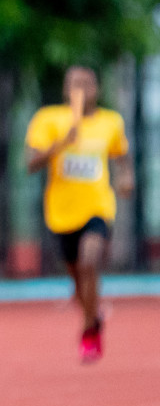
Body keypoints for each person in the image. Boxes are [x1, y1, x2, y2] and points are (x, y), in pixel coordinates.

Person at [24, 66, 133, 363]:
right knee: (77, 275)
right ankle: (93, 314)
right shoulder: (49, 120)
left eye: (86, 83)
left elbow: (121, 156)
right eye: (74, 84)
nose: (81, 89)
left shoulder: (111, 122)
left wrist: (126, 177)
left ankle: (88, 331)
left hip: (97, 206)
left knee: (89, 262)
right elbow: (30, 163)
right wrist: (62, 143)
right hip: (61, 211)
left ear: (97, 88)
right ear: (65, 89)